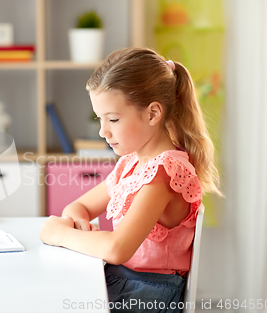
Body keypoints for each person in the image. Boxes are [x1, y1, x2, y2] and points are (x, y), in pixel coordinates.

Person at [39, 48, 222, 312]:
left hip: (146, 294)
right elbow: (80, 207)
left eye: (113, 119)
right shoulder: (132, 163)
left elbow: (117, 249)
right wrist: (78, 223)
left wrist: (60, 233)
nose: (103, 131)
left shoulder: (164, 173)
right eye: (99, 119)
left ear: (152, 114)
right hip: (125, 280)